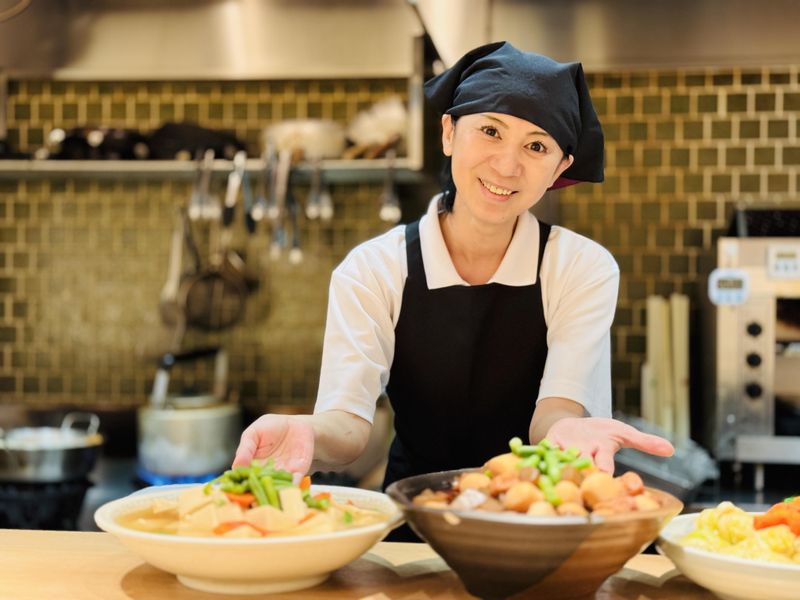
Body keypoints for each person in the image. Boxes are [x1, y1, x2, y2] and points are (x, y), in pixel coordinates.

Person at [233, 42, 674, 539]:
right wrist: (309, 433)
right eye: (490, 131)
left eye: (536, 145)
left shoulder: (581, 268)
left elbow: (555, 414)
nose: (507, 166)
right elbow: (348, 427)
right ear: (448, 132)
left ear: (558, 168)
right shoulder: (374, 269)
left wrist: (568, 432)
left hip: (538, 526)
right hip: (411, 531)